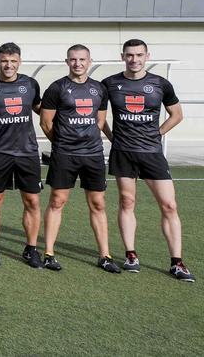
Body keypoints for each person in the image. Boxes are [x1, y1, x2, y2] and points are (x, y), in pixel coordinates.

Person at [102, 38, 193, 282]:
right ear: (123, 57)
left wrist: (158, 133)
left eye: (139, 55)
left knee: (169, 205)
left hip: (152, 153)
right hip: (123, 152)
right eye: (130, 55)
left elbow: (177, 114)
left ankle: (177, 262)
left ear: (147, 56)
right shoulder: (110, 83)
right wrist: (112, 137)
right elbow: (98, 116)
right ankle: (131, 255)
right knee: (127, 201)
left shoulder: (160, 83)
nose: (134, 59)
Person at [39, 45, 119, 273]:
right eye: (73, 60)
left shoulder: (99, 89)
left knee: (98, 203)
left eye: (82, 59)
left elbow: (100, 121)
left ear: (89, 61)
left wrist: (105, 140)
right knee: (57, 201)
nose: (78, 64)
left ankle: (105, 255)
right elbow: (45, 123)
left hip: (92, 154)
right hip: (65, 154)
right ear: (67, 62)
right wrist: (62, 142)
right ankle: (49, 254)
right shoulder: (56, 88)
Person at [0, 42, 43, 268]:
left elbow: (39, 108)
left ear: (19, 61)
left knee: (32, 200)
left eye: (13, 61)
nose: (8, 65)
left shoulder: (30, 84)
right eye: (4, 61)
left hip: (27, 151)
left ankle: (31, 249)